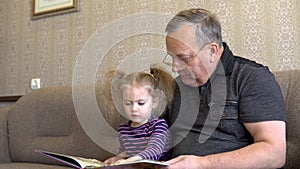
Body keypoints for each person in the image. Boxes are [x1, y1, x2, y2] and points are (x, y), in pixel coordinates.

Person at [162, 8, 286, 169]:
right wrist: (126, 159)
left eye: (183, 58)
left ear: (212, 50)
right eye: (171, 57)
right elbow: (153, 133)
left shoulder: (251, 78)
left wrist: (202, 164)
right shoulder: (176, 86)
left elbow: (274, 153)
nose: (174, 67)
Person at [104, 67, 175, 165]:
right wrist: (116, 158)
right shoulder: (123, 129)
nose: (134, 109)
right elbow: (126, 152)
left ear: (154, 102)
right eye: (128, 103)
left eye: (140, 103)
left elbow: (154, 152)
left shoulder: (158, 125)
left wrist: (129, 161)